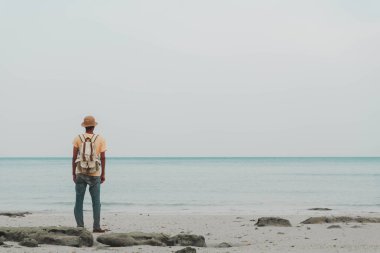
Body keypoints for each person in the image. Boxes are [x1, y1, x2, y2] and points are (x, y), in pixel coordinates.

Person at [72, 115, 107, 233]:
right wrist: (103, 173)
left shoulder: (78, 138)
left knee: (79, 201)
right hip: (95, 172)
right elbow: (102, 157)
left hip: (80, 172)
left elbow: (74, 157)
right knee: (96, 202)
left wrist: (73, 173)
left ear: (85, 126)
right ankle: (96, 227)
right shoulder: (100, 138)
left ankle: (80, 226)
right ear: (93, 126)